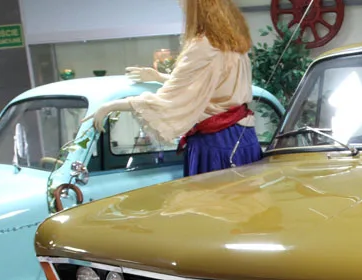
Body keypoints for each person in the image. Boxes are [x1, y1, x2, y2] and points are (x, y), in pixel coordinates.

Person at [84, 0, 262, 177]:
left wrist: (110, 106)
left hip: (216, 143)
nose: (180, 5)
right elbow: (209, 84)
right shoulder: (234, 44)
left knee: (212, 203)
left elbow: (170, 99)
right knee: (243, 203)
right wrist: (159, 77)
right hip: (245, 137)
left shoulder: (203, 45)